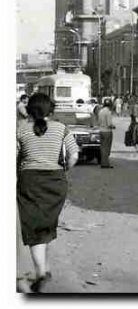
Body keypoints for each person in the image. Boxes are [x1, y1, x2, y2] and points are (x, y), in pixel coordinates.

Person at [17, 92, 79, 292]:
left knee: (34, 228)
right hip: (55, 181)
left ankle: (42, 271)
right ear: (50, 110)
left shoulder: (21, 130)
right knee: (46, 224)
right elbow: (74, 154)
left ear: (29, 110)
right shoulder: (61, 128)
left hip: (30, 181)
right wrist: (64, 170)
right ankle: (44, 267)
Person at [96, 98, 115, 168]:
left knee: (102, 147)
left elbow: (98, 122)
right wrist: (113, 126)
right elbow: (109, 124)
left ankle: (103, 162)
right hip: (107, 131)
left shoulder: (100, 111)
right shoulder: (108, 112)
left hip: (101, 131)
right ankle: (106, 163)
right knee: (107, 148)